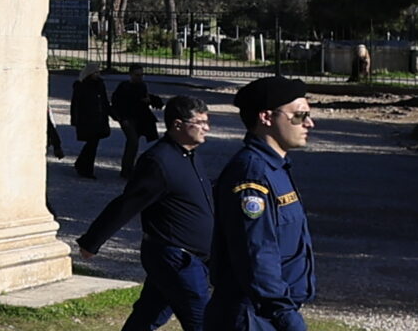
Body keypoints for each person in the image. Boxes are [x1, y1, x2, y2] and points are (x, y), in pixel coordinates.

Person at [80, 94, 217, 331]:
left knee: (148, 315)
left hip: (190, 258)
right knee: (203, 322)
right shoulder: (158, 161)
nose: (207, 128)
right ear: (178, 124)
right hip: (176, 258)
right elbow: (127, 204)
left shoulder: (190, 156)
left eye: (207, 122)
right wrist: (92, 242)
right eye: (200, 123)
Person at [207, 76, 314, 331]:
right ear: (266, 117)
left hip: (267, 313)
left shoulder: (275, 168)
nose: (309, 123)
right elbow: (257, 255)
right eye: (300, 116)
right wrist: (286, 318)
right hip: (252, 317)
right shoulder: (252, 175)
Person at [114, 65, 160, 180]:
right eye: (137, 75)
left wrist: (149, 101)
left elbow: (144, 99)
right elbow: (117, 103)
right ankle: (126, 170)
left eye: (141, 75)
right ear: (130, 74)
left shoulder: (142, 86)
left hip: (138, 118)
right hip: (127, 118)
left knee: (133, 143)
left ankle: (129, 168)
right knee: (132, 141)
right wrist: (122, 118)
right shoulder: (124, 87)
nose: (140, 77)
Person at [72, 63, 114, 180]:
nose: (97, 75)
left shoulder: (100, 84)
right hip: (87, 119)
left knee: (92, 144)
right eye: (95, 73)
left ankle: (82, 165)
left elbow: (104, 101)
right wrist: (75, 119)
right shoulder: (81, 86)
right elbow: (76, 104)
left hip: (98, 119)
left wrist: (112, 114)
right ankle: (85, 168)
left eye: (98, 72)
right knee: (92, 144)